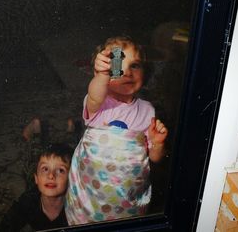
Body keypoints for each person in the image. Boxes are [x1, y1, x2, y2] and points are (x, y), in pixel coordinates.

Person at [65, 36, 168, 225]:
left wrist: (158, 143)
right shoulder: (100, 102)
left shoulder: (147, 110)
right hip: (91, 195)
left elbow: (154, 158)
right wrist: (102, 76)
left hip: (126, 198)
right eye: (118, 64)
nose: (127, 72)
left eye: (135, 65)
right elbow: (95, 93)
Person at [0, 144, 72, 232]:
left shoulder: (77, 206)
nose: (51, 176)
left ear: (71, 179)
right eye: (45, 169)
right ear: (36, 178)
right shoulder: (28, 201)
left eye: (60, 170)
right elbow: (4, 226)